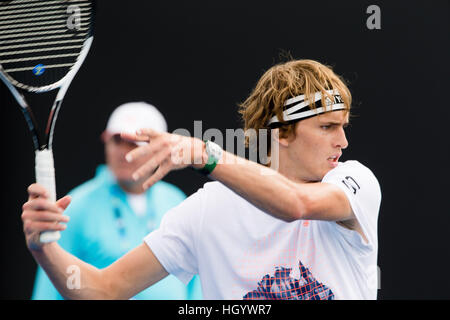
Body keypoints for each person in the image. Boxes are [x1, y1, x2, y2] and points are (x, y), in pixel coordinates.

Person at [22, 59, 381, 300]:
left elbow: (295, 205)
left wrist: (204, 153)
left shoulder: (355, 182)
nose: (343, 141)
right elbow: (104, 288)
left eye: (343, 126)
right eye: (327, 126)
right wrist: (45, 249)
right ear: (282, 133)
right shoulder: (207, 209)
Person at [31, 102, 202, 300]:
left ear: (159, 149)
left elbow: (196, 281)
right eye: (117, 140)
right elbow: (48, 287)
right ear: (105, 140)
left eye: (134, 143)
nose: (123, 151)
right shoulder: (76, 205)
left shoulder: (176, 199)